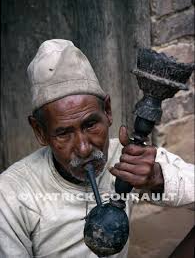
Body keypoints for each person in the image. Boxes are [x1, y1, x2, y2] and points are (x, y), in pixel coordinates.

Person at [0, 39, 194, 258]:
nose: (83, 149)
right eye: (63, 133)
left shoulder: (124, 160)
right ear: (40, 131)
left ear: (108, 111)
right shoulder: (9, 195)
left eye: (90, 125)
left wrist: (158, 178)